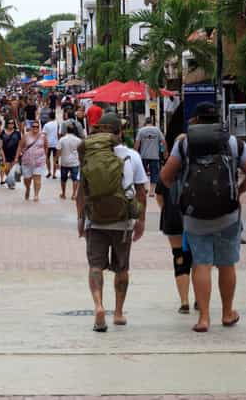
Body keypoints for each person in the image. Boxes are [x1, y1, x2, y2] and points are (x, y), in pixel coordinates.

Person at [160, 102, 246, 333]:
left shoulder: (184, 144)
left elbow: (165, 176)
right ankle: (227, 313)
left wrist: (183, 190)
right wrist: (238, 191)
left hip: (194, 216)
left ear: (195, 120)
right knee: (226, 264)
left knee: (201, 263)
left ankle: (203, 318)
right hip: (229, 214)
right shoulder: (234, 142)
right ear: (219, 119)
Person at [75, 113, 148, 332]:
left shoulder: (89, 155)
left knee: (95, 266)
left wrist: (81, 218)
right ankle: (117, 312)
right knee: (122, 267)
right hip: (122, 221)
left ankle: (98, 306)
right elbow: (142, 191)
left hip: (95, 220)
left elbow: (81, 192)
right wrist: (141, 220)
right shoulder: (131, 156)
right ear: (120, 132)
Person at [156, 172, 194, 314]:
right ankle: (200, 299)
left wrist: (167, 211)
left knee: (179, 256)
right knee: (198, 259)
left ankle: (184, 302)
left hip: (173, 219)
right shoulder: (196, 166)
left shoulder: (168, 170)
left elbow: (159, 196)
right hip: (195, 219)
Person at [135, 117, 167, 197]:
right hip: (154, 156)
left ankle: (145, 188)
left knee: (143, 173)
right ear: (152, 123)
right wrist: (165, 152)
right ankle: (152, 192)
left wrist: (135, 153)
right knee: (154, 173)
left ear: (146, 123)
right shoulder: (157, 130)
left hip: (143, 155)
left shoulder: (141, 130)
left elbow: (137, 143)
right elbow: (163, 142)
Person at [16, 121, 48, 202]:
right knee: (27, 179)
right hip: (27, 161)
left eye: (37, 126)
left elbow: (46, 146)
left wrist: (45, 156)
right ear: (31, 127)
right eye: (34, 126)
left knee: (37, 178)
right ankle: (27, 189)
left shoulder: (43, 136)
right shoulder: (26, 136)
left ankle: (36, 194)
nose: (35, 128)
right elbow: (20, 147)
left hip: (39, 161)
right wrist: (16, 158)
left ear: (39, 127)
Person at [57, 122, 82, 200]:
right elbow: (81, 151)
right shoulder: (78, 140)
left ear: (66, 130)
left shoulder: (62, 139)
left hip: (64, 162)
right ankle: (74, 194)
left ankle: (63, 194)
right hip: (75, 162)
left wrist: (57, 161)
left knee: (63, 179)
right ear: (74, 131)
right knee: (75, 179)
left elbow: (58, 151)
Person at [0, 119, 21, 188]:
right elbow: (0, 146)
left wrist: (17, 155)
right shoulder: (2, 132)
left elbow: (19, 145)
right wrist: (1, 154)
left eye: (12, 123)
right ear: (6, 124)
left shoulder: (17, 133)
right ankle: (10, 180)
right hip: (5, 154)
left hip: (14, 154)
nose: (11, 124)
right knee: (6, 169)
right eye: (9, 123)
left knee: (12, 170)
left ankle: (11, 183)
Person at [43, 111, 60, 179]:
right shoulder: (57, 124)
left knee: (47, 158)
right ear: (55, 117)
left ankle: (49, 172)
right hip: (56, 143)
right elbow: (59, 134)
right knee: (55, 159)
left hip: (48, 143)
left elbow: (44, 135)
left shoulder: (46, 125)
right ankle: (54, 174)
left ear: (49, 117)